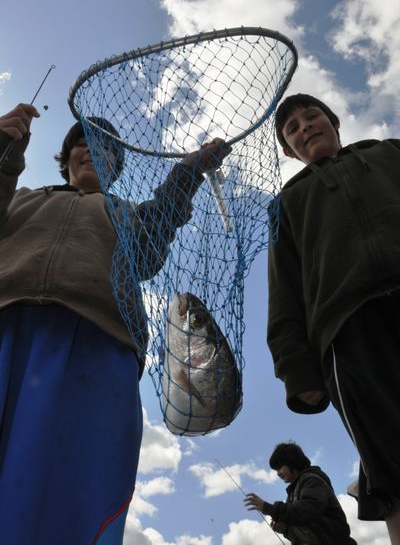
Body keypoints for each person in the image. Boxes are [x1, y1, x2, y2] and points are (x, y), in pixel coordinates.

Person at [0, 102, 231, 545]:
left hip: (99, 344)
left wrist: (187, 173)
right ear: (66, 157)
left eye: (107, 149)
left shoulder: (128, 214)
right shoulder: (21, 197)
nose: (92, 152)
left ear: (119, 166)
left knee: (70, 492)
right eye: (83, 144)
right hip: (7, 323)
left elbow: (150, 248)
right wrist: (4, 153)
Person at [267, 93, 400, 543]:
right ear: (289, 150)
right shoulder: (288, 203)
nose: (305, 127)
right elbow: (285, 293)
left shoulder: (388, 153)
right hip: (349, 334)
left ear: (334, 121)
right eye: (292, 129)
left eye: (312, 116)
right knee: (391, 473)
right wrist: (296, 369)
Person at [244, 442, 357, 544]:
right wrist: (286, 529)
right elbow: (304, 527)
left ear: (292, 462)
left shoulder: (311, 479)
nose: (278, 473)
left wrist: (269, 508)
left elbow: (307, 511)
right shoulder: (293, 492)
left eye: (279, 467)